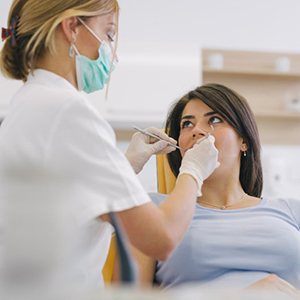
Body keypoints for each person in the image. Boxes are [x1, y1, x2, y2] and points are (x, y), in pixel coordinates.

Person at [0, 0, 220, 291]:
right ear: (72, 28)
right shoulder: (68, 111)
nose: (113, 54)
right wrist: (193, 170)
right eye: (109, 34)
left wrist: (128, 165)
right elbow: (162, 237)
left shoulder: (29, 103)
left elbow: (71, 199)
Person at [132, 83, 300, 295]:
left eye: (214, 120)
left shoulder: (292, 211)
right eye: (187, 124)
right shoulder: (150, 209)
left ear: (244, 141)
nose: (197, 131)